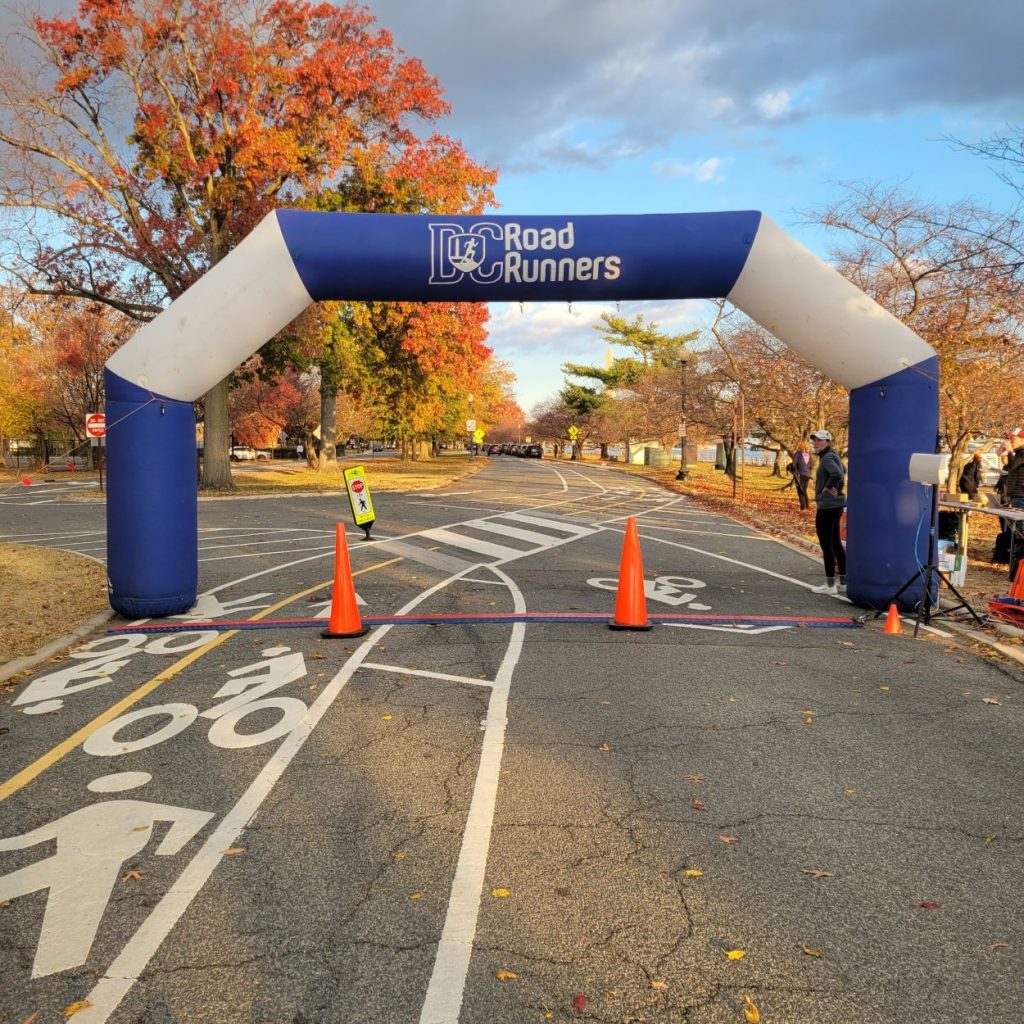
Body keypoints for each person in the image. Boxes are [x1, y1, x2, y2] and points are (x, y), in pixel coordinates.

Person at [809, 429, 847, 595]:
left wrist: (829, 487)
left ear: (828, 442)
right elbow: (843, 470)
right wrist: (836, 487)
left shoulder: (828, 458)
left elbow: (838, 474)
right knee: (836, 543)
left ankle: (830, 584)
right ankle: (843, 582)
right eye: (815, 440)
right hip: (836, 504)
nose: (816, 443)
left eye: (820, 440)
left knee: (827, 544)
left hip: (827, 505)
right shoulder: (833, 455)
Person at [1000, 429, 1024, 580]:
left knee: (1021, 534)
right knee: (1017, 533)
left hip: (1021, 496)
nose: (1011, 441)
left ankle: (1017, 572)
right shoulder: (1018, 453)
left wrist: (1009, 451)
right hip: (1015, 495)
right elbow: (1010, 468)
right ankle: (1016, 572)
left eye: (1014, 439)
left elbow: (1014, 465)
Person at [788, 441, 813, 510]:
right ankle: (807, 506)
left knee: (800, 491)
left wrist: (790, 466)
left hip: (799, 475)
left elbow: (793, 465)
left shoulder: (797, 454)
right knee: (804, 490)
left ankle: (803, 507)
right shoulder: (809, 455)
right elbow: (811, 466)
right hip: (807, 475)